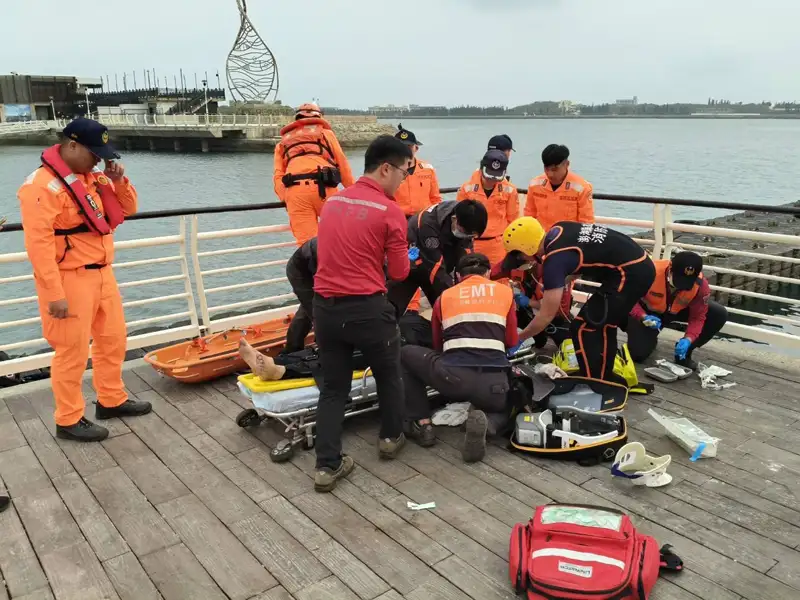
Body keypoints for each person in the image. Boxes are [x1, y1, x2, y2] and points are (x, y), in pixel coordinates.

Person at [18, 118, 152, 442]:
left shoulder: (92, 178)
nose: (98, 159)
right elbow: (38, 246)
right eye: (94, 153)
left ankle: (111, 399)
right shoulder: (40, 187)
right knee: (71, 351)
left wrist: (119, 181)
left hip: (103, 273)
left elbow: (128, 208)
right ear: (72, 145)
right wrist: (54, 294)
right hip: (70, 280)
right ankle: (68, 418)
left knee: (113, 340)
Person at [311, 135, 413, 493]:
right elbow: (400, 273)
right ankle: (390, 438)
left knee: (334, 388)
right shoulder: (390, 211)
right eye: (404, 170)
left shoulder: (333, 202)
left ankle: (327, 465)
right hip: (367, 308)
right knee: (389, 373)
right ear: (386, 168)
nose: (405, 178)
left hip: (324, 308)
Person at [505, 217, 656, 383]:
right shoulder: (559, 228)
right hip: (636, 264)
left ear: (527, 247)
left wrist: (519, 338)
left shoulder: (555, 259)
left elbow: (547, 315)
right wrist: (558, 282)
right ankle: (601, 376)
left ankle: (599, 381)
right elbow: (581, 260)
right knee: (599, 325)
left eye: (519, 254)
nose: (522, 259)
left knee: (587, 327)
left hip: (630, 274)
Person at [401, 253, 517, 463]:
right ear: (489, 273)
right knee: (512, 401)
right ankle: (491, 423)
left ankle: (422, 423)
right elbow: (511, 340)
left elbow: (438, 344)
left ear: (457, 275)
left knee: (406, 354)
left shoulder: (445, 297)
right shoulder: (505, 293)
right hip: (493, 385)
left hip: (452, 378)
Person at [625, 251, 728, 370]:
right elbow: (629, 299)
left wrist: (689, 338)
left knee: (718, 314)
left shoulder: (700, 286)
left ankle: (685, 352)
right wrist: (642, 316)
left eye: (686, 283)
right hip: (648, 312)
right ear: (670, 268)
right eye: (678, 279)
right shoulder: (649, 272)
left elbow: (698, 317)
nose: (680, 286)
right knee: (638, 354)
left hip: (677, 311)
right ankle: (649, 338)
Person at [387, 199, 488, 318]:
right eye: (465, 232)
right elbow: (437, 268)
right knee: (391, 309)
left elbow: (466, 260)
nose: (467, 236)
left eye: (471, 235)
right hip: (412, 265)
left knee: (449, 311)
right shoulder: (427, 223)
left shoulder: (466, 221)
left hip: (441, 260)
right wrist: (456, 297)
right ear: (454, 219)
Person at [273, 103, 355, 246]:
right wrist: (356, 193)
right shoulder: (326, 134)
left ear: (296, 118)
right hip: (326, 189)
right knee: (339, 239)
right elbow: (343, 165)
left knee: (307, 246)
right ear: (319, 116)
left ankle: (314, 268)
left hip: (296, 193)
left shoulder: (283, 143)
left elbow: (278, 175)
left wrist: (286, 198)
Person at [392, 124, 442, 314]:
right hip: (399, 223)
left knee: (429, 263)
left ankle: (435, 304)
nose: (406, 150)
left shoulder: (427, 169)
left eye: (409, 146)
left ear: (416, 148)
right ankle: (410, 307)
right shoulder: (390, 170)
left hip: (424, 224)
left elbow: (436, 198)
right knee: (402, 266)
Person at [490, 251, 573, 348]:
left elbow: (560, 308)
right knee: (536, 342)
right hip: (529, 313)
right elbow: (493, 274)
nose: (518, 264)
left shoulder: (555, 270)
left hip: (555, 317)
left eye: (521, 260)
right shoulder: (514, 263)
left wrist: (529, 302)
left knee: (568, 344)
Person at [456, 149, 519, 266]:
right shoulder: (466, 189)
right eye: (489, 176)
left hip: (498, 244)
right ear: (481, 169)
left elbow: (513, 220)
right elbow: (458, 220)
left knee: (499, 279)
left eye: (496, 177)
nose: (492, 181)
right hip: (471, 244)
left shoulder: (510, 190)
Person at [525, 144, 594, 232]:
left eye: (554, 170)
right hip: (541, 240)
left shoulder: (581, 188)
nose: (550, 174)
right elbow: (529, 215)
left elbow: (586, 222)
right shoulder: (535, 184)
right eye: (546, 169)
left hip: (567, 241)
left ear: (566, 164)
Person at [283, 237, 318, 354]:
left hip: (314, 265)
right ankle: (293, 350)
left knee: (308, 309)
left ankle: (292, 348)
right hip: (301, 271)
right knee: (316, 310)